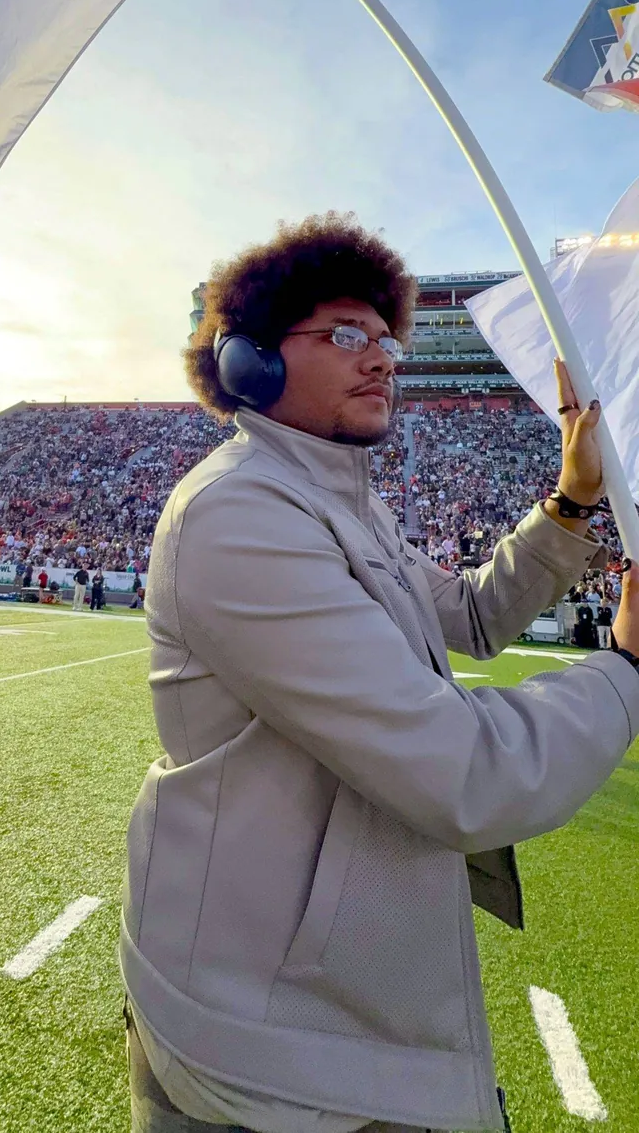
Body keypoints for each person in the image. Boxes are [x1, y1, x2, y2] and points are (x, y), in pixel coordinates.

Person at [119, 212, 639, 1133]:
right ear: (251, 361)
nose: (384, 358)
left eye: (386, 339)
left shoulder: (345, 507)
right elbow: (465, 774)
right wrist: (627, 667)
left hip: (330, 1010)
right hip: (271, 1050)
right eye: (346, 334)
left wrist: (571, 501)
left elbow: (473, 616)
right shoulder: (239, 515)